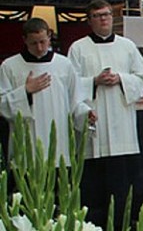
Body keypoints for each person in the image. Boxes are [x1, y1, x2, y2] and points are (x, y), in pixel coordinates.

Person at [68, 0, 143, 229]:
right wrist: (94, 81)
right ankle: (97, 224)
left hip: (122, 122)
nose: (103, 19)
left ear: (112, 18)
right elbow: (70, 85)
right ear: (89, 20)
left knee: (124, 177)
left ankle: (126, 222)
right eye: (97, 16)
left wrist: (120, 79)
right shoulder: (78, 48)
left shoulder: (127, 46)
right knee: (97, 179)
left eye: (106, 14)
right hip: (95, 121)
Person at [0, 17, 94, 165]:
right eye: (34, 43)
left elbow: (75, 99)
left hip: (59, 141)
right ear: (24, 40)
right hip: (26, 142)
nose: (39, 47)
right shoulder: (10, 66)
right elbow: (2, 104)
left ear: (49, 37)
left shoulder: (64, 64)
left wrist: (86, 113)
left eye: (43, 41)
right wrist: (25, 92)